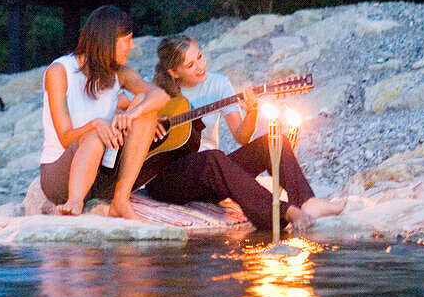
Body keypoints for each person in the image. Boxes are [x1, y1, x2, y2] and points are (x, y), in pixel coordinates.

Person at [144, 34, 346, 233]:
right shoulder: (151, 89)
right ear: (174, 72)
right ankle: (281, 213)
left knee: (273, 141)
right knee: (212, 158)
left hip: (212, 177)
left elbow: (241, 137)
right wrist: (147, 122)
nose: (200, 66)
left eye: (199, 57)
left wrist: (252, 111)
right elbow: (120, 111)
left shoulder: (218, 84)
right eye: (190, 65)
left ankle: (307, 201)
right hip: (167, 181)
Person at [40, 4, 169, 220]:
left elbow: (160, 95)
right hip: (60, 176)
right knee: (95, 134)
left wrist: (133, 114)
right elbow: (64, 138)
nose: (132, 46)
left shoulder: (120, 73)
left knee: (144, 107)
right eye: (127, 40)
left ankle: (121, 199)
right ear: (108, 40)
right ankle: (74, 202)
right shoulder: (60, 71)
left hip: (102, 173)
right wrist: (96, 124)